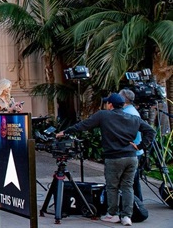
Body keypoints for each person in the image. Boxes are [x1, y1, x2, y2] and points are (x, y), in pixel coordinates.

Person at [57, 93, 155, 226]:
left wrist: (65, 132)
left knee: (112, 187)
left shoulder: (103, 115)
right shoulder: (133, 118)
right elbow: (151, 131)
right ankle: (127, 216)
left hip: (114, 158)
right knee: (127, 187)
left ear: (110, 105)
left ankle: (112, 214)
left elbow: (84, 125)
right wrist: (140, 146)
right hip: (131, 157)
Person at [118, 89, 144, 201]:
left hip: (132, 151)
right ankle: (138, 203)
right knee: (134, 181)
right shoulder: (130, 110)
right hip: (135, 150)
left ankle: (136, 205)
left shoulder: (127, 113)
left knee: (129, 182)